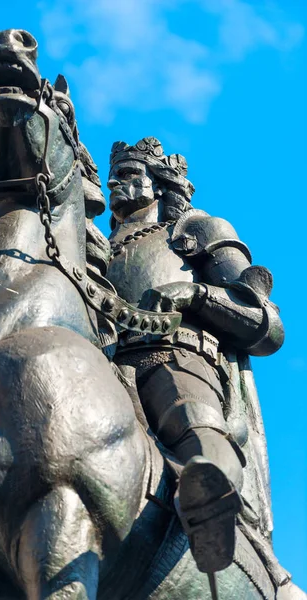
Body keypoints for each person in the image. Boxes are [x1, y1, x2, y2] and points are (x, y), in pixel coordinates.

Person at [106, 136, 285, 576]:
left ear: (159, 183)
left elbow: (267, 325)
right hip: (104, 368)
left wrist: (197, 295)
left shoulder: (196, 228)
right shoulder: (95, 247)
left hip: (177, 360)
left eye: (129, 175)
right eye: (114, 176)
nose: (115, 183)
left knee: (191, 421)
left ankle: (209, 497)